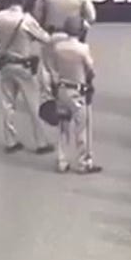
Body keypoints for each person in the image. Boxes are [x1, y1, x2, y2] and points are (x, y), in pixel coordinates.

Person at [0, 0, 53, 154]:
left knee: (7, 104)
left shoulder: (0, 16)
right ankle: (41, 142)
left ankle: (10, 140)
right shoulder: (26, 20)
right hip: (23, 66)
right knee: (34, 105)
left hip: (5, 64)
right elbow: (45, 39)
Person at [45, 18, 100, 174]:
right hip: (78, 91)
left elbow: (53, 68)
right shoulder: (83, 49)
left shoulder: (58, 48)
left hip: (62, 89)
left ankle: (61, 161)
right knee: (81, 127)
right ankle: (83, 162)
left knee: (63, 127)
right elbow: (90, 70)